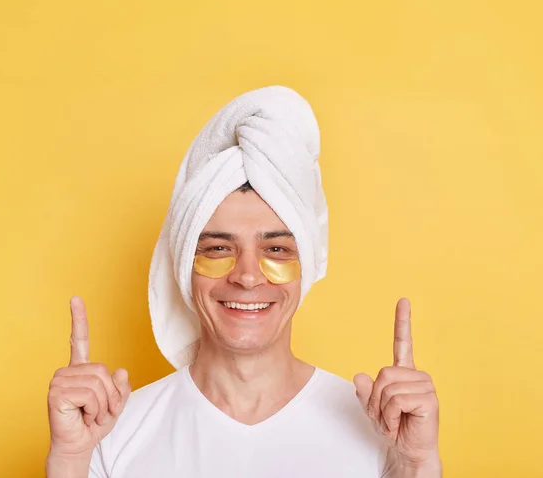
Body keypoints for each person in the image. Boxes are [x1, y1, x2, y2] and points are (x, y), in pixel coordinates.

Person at [45, 87, 441, 478]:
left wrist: (416, 464)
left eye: (277, 250)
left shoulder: (384, 431)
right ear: (185, 267)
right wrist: (69, 460)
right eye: (218, 249)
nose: (248, 276)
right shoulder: (109, 434)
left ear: (307, 265)